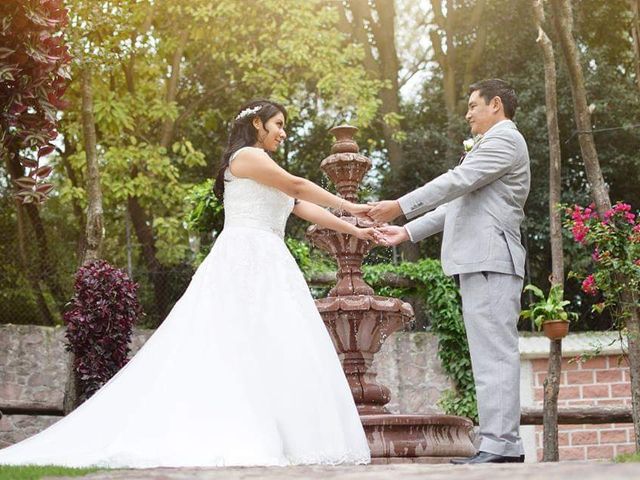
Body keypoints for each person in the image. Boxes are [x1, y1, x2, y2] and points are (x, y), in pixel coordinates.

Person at [0, 99, 374, 468]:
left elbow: (300, 206)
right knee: (233, 343)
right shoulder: (245, 157)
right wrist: (353, 206)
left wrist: (355, 227)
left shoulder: (265, 165)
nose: (283, 132)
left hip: (271, 261)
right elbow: (296, 185)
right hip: (244, 257)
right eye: (278, 124)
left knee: (272, 344)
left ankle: (279, 434)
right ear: (257, 124)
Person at [370, 79, 530, 464]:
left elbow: (456, 182)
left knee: (495, 356)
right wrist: (406, 230)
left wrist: (400, 205)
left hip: (492, 260)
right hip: (481, 261)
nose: (468, 113)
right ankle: (497, 443)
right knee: (486, 356)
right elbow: (455, 204)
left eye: (474, 105)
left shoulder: (505, 140)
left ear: (496, 105)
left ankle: (501, 446)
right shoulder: (489, 146)